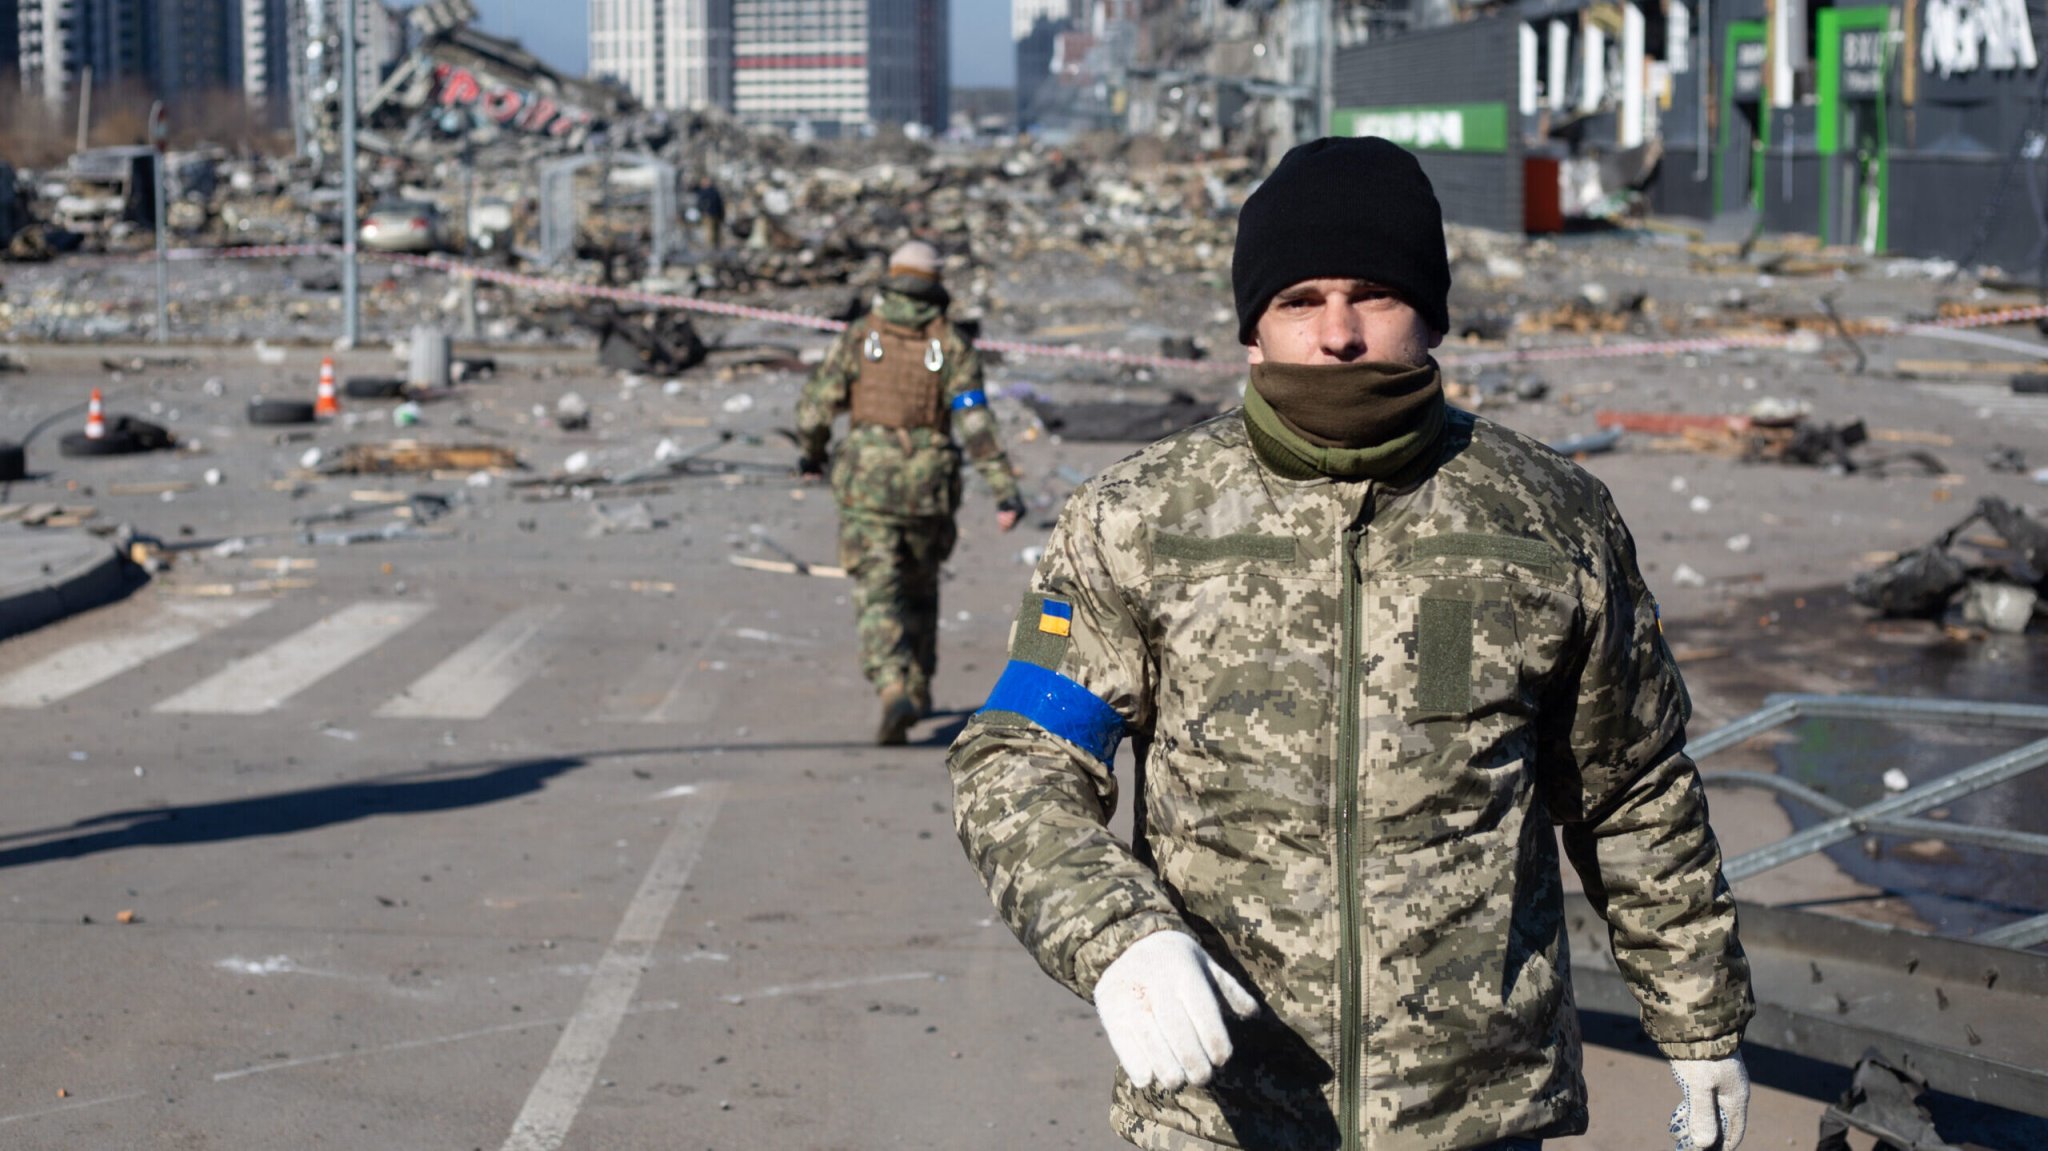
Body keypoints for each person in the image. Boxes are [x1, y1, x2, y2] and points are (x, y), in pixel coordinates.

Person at [946, 137, 1754, 1151]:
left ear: (1430, 312)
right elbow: (1017, 758)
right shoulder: (1139, 520)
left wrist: (1698, 1017)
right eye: (1300, 300)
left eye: (1371, 294)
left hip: (1476, 1110)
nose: (1336, 333)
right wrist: (1115, 934)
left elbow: (1628, 786)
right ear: (1252, 327)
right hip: (1226, 1110)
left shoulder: (1549, 517)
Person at [798, 240, 1026, 745]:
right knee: (922, 588)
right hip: (929, 489)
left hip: (867, 486)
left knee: (878, 589)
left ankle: (891, 683)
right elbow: (975, 421)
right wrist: (1004, 492)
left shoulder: (862, 337)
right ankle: (919, 686)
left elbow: (816, 406)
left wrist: (811, 454)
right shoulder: (951, 345)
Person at [693, 176, 725, 250]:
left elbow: (718, 203)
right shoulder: (712, 191)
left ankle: (712, 247)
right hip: (711, 214)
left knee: (711, 231)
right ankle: (712, 247)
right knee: (711, 231)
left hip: (711, 214)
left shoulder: (709, 192)